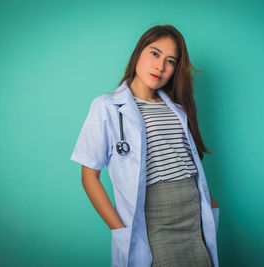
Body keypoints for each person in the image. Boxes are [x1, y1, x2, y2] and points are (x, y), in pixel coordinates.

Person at [70, 24, 220, 267]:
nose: (160, 66)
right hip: (155, 220)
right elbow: (89, 176)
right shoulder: (107, 106)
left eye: (170, 61)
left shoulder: (178, 109)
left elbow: (185, 160)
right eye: (155, 53)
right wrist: (120, 230)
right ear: (139, 51)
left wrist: (209, 202)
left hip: (193, 216)